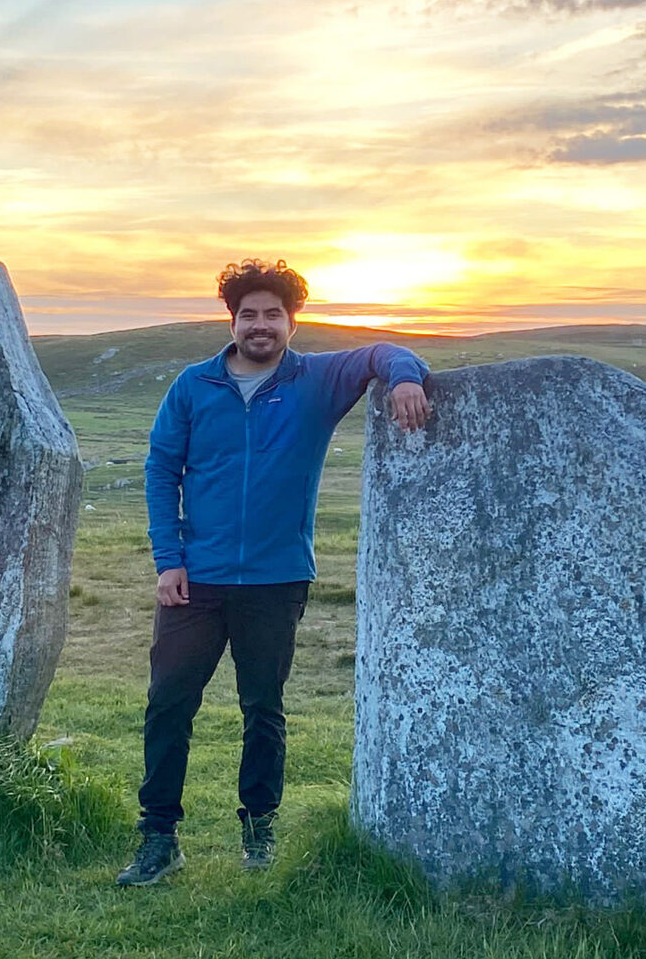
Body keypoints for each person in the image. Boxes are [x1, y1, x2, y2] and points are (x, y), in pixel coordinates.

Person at [116, 258, 431, 886]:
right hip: (195, 581)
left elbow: (386, 351)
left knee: (263, 707)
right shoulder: (193, 384)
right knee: (169, 705)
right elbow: (161, 470)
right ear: (232, 320)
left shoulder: (314, 380)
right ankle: (159, 838)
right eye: (248, 314)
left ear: (292, 321)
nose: (260, 325)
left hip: (275, 579)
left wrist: (402, 379)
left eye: (273, 314)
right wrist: (168, 560)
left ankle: (259, 832)